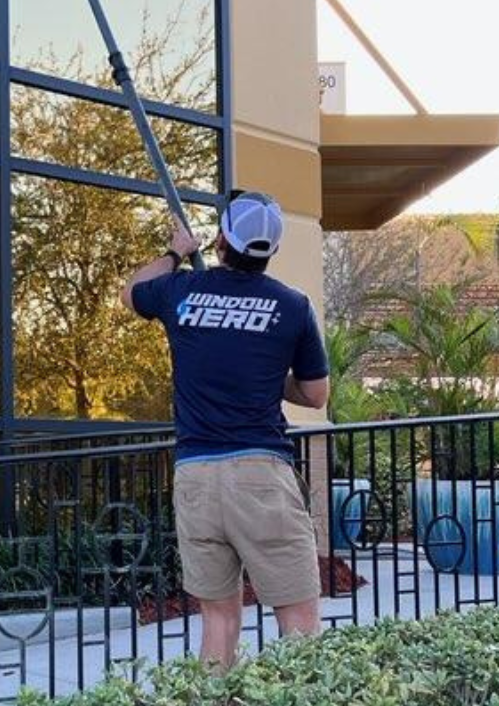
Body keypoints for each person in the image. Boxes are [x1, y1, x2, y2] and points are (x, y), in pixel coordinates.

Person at [120, 190, 329, 670]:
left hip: (196, 476)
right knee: (298, 621)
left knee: (218, 621)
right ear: (270, 252)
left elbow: (131, 292)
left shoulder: (180, 292)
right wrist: (264, 373)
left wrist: (175, 251)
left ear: (220, 241)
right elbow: (316, 394)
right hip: (260, 474)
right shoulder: (292, 307)